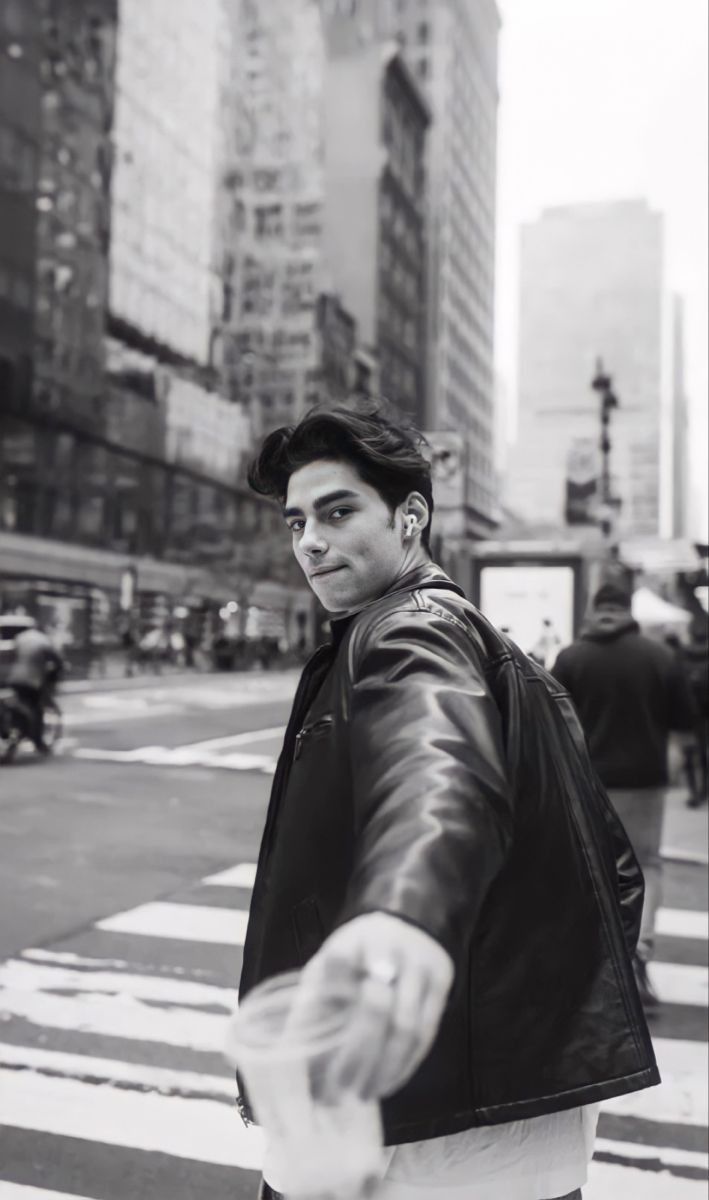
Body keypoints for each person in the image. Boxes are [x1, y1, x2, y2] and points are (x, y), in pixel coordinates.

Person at [238, 404, 659, 1200]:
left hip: (417, 1111)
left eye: (337, 511)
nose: (310, 542)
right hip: (492, 1093)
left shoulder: (408, 632)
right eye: (296, 521)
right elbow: (613, 865)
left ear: (410, 516)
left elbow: (436, 775)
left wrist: (400, 919)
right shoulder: (486, 645)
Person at [552, 583, 696, 1010]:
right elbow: (685, 725)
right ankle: (638, 953)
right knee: (646, 865)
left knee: (593, 869)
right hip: (644, 780)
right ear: (628, 610)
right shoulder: (659, 657)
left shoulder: (572, 658)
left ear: (596, 611)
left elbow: (553, 720)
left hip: (588, 779)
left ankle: (600, 964)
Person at [7, 621, 64, 753]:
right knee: (36, 709)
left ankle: (19, 728)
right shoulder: (43, 641)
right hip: (32, 680)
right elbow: (57, 661)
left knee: (20, 704)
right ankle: (38, 742)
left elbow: (12, 657)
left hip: (15, 678)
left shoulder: (20, 638)